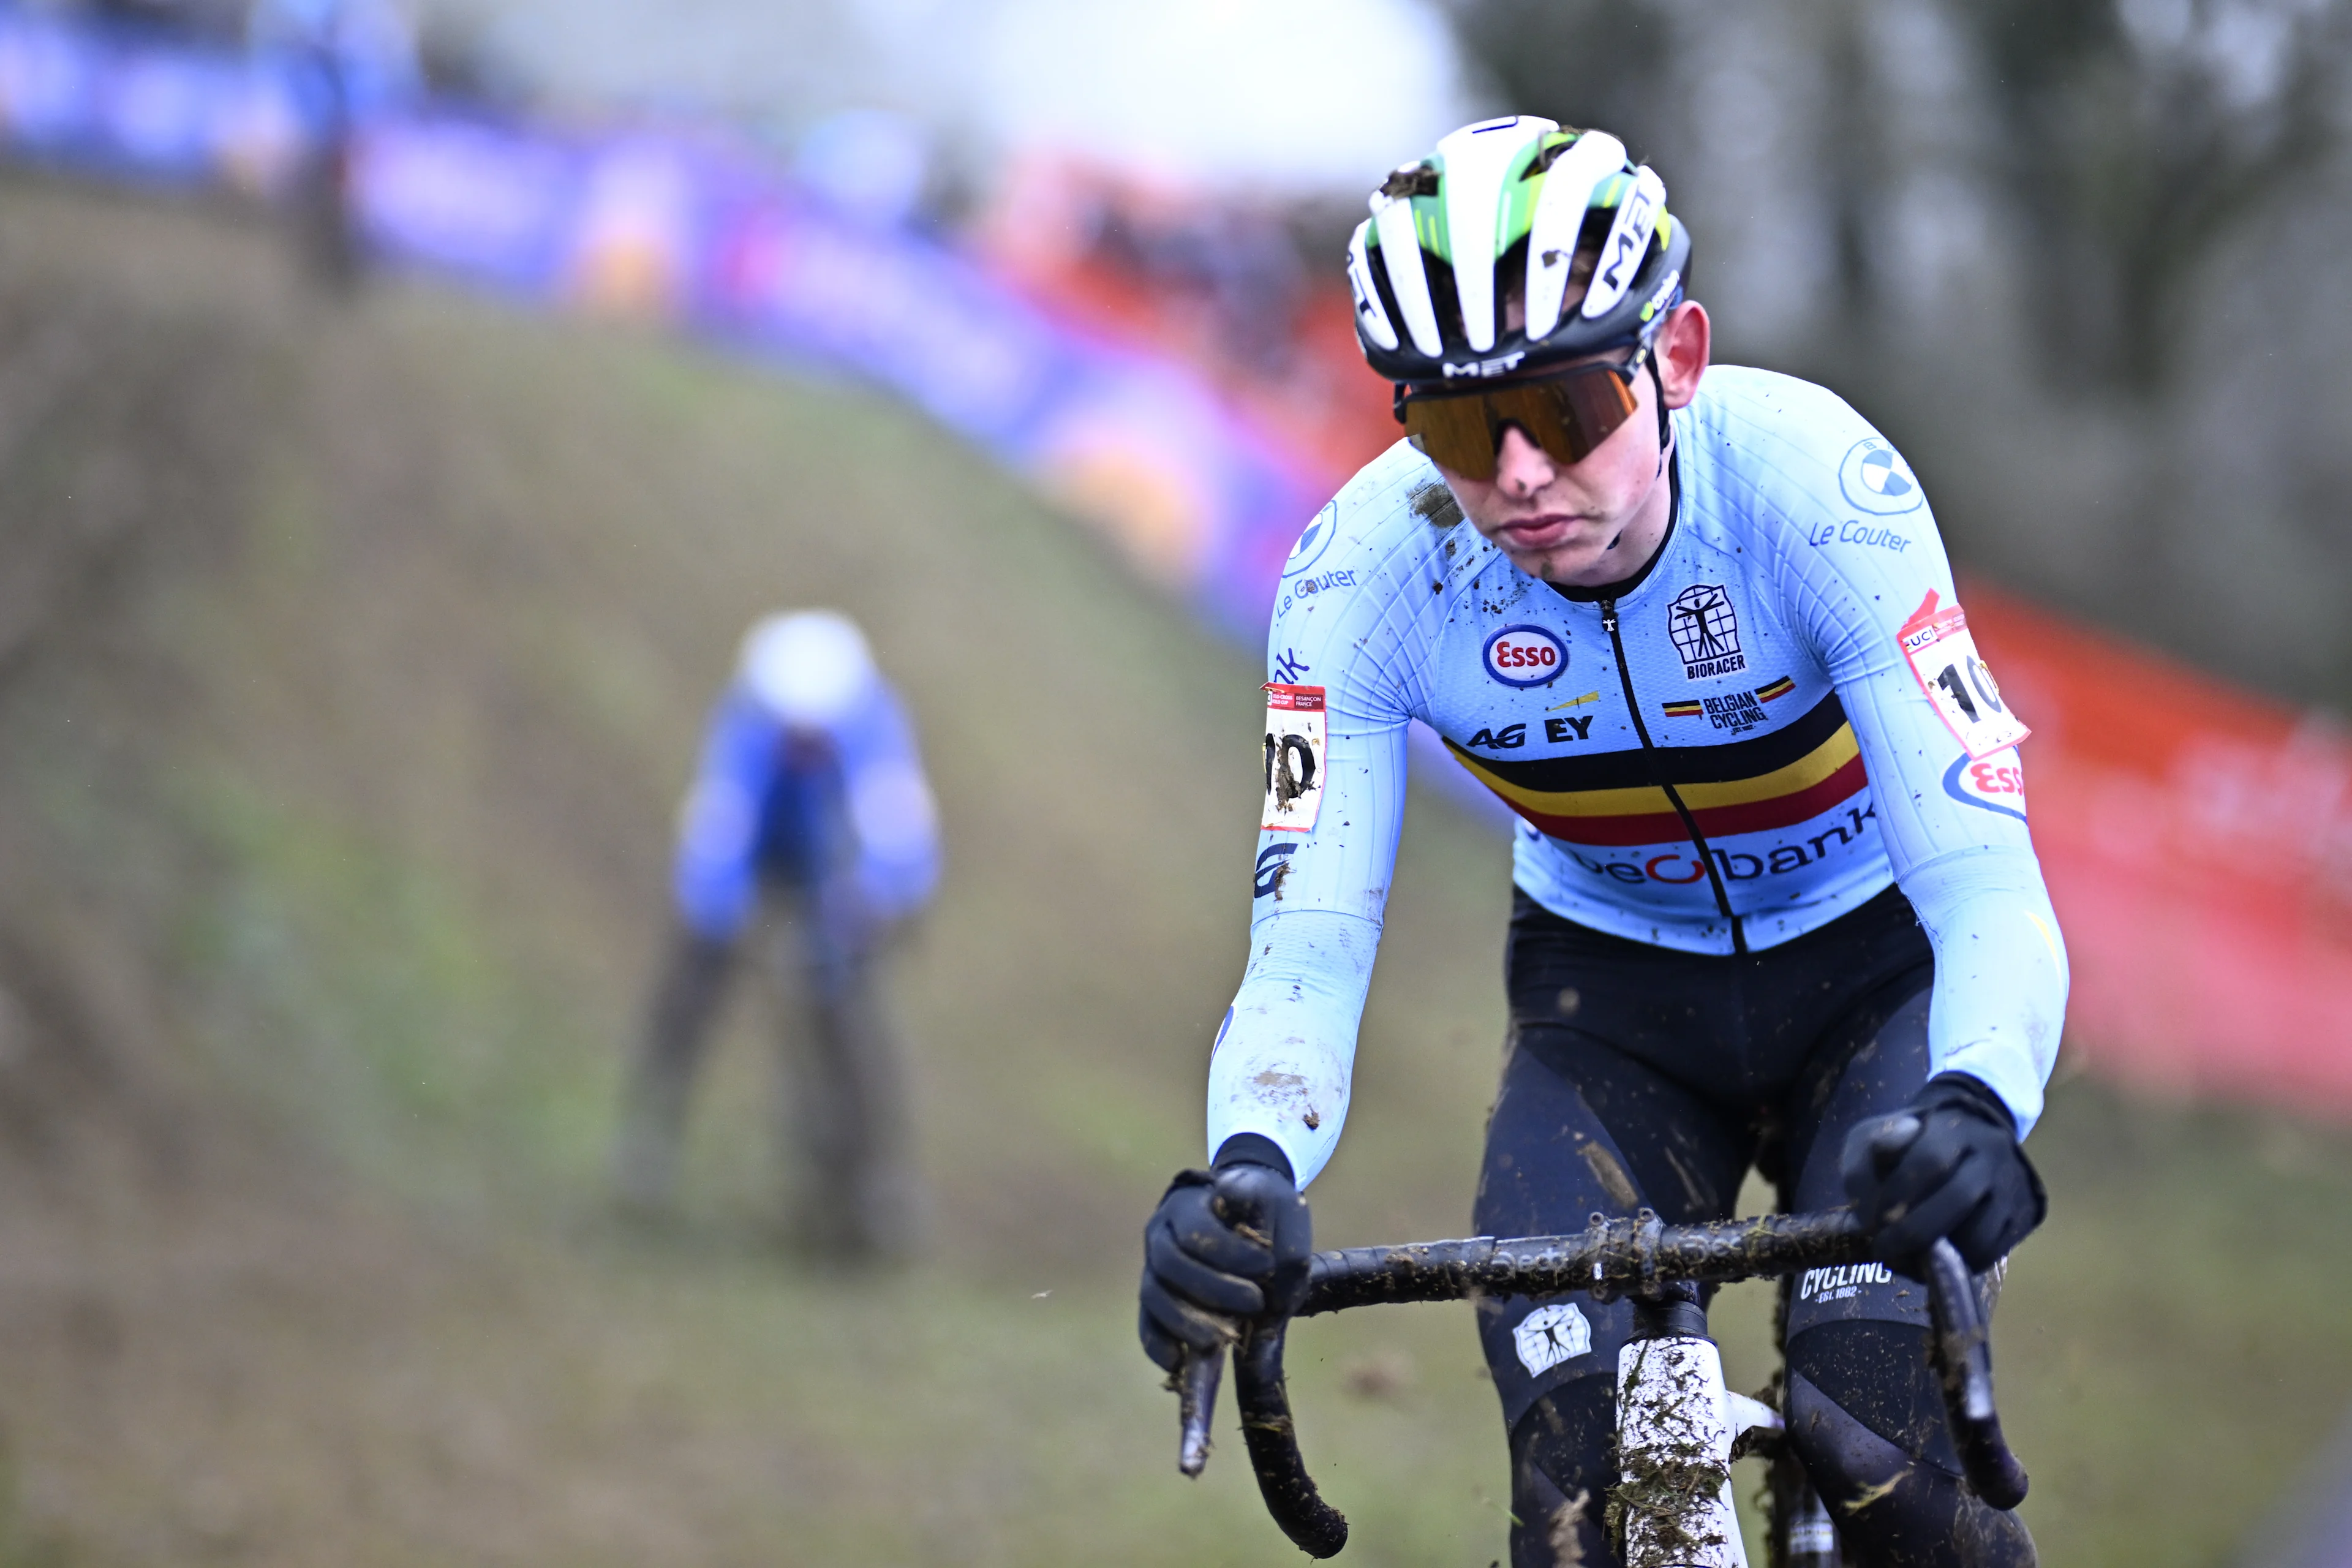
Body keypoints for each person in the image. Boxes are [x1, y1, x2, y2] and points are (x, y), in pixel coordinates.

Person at [1136, 116, 2063, 1567]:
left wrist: (1978, 1101)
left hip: (1873, 985)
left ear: (1673, 358)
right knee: (1572, 1487)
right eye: (1452, 427)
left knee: (1881, 1437)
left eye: (1563, 409)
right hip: (1613, 1016)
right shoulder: (1356, 578)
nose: (1511, 474)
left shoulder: (1820, 489)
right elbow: (1304, 954)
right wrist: (1244, 1170)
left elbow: (1985, 878)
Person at [613, 610, 940, 1259]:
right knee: (692, 982)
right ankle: (650, 1138)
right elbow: (720, 825)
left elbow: (899, 838)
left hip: (835, 870)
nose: (799, 750)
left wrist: (864, 906)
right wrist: (721, 917)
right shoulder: (745, 726)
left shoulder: (873, 728)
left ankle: (877, 1182)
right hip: (767, 854)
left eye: (813, 742)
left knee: (846, 1007)